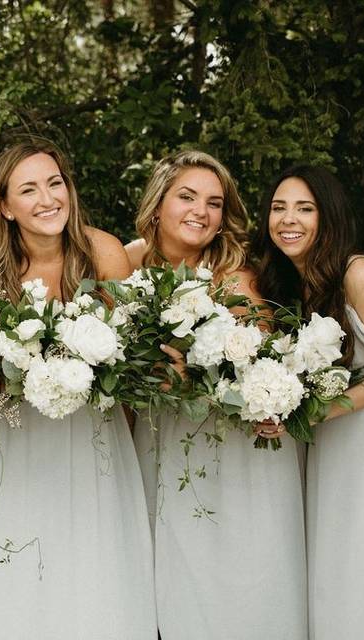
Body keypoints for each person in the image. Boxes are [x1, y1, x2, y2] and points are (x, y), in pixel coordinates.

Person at [0, 138, 157, 639]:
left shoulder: (102, 253)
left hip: (91, 434)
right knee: (21, 552)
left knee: (91, 552)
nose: (48, 199)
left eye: (55, 183)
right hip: (18, 440)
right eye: (29, 190)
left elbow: (131, 357)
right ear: (5, 207)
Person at [125, 150, 307, 639]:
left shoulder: (239, 281)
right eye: (187, 197)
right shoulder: (126, 268)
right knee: (170, 585)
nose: (200, 212)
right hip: (157, 443)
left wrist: (194, 378)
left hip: (231, 453)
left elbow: (260, 379)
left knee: (234, 581)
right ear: (158, 203)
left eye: (213, 203)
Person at [253, 164, 364, 639]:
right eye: (278, 208)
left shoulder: (359, 272)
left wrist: (308, 413)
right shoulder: (290, 286)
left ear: (327, 217)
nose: (288, 220)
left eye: (304, 209)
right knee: (336, 563)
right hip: (334, 439)